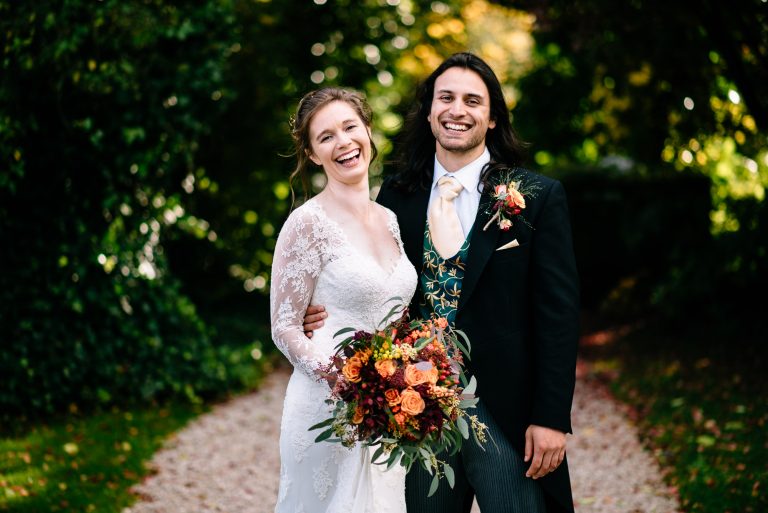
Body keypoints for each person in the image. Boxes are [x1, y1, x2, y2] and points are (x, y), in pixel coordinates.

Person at [303, 52, 579, 513]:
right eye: (445, 97)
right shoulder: (397, 193)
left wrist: (551, 418)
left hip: (506, 411)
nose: (457, 110)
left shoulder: (537, 198)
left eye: (473, 100)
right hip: (417, 409)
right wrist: (323, 309)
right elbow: (372, 281)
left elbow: (559, 316)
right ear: (429, 110)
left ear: (491, 118)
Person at [269, 87, 418, 513]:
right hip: (328, 408)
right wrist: (343, 379)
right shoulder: (306, 223)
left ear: (368, 131)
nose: (344, 142)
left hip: (387, 408)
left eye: (350, 127)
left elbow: (394, 310)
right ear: (313, 154)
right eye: (326, 137)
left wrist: (409, 374)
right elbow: (284, 327)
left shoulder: (388, 219)